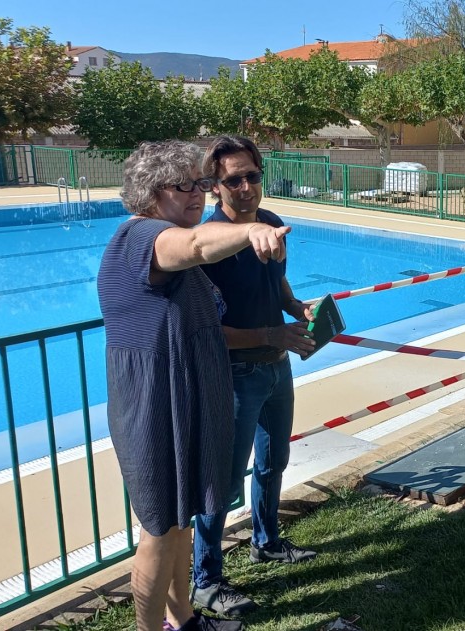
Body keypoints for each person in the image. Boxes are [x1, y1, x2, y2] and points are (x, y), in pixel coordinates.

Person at [98, 140, 289, 631]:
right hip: (157, 403)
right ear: (149, 190)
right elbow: (198, 245)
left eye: (199, 185)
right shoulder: (143, 237)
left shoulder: (169, 234)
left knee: (180, 523)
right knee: (160, 529)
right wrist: (249, 230)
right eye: (184, 186)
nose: (196, 196)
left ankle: (181, 619)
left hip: (189, 397)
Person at [190, 135, 318, 617]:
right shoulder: (206, 245)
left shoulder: (268, 224)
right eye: (233, 179)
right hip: (237, 375)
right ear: (215, 187)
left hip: (275, 369)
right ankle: (207, 580)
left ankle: (266, 541)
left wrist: (295, 306)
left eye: (252, 175)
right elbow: (209, 333)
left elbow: (276, 281)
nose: (245, 186)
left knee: (273, 462)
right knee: (222, 483)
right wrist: (272, 333)